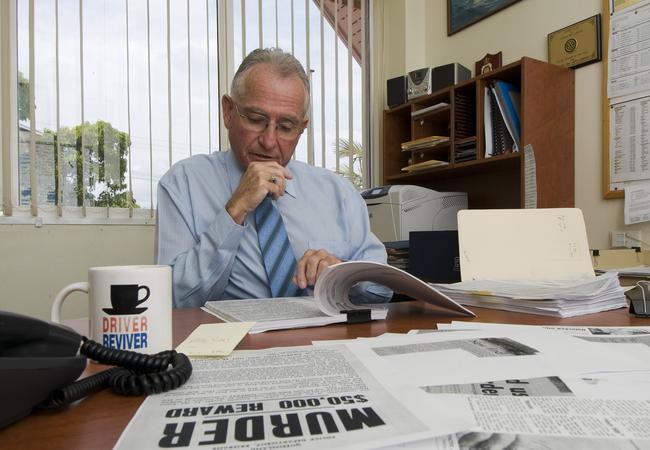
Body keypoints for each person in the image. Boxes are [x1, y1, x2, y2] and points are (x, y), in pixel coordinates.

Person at [155, 47, 391, 308]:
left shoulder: (339, 192)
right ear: (228, 112)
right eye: (256, 120)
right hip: (232, 345)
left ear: (302, 129)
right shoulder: (183, 183)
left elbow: (382, 291)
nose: (269, 141)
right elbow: (172, 300)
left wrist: (343, 274)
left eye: (286, 127)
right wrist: (235, 210)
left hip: (325, 342)